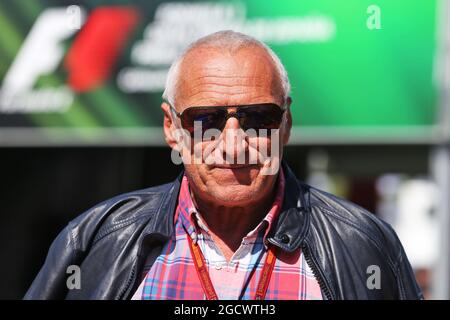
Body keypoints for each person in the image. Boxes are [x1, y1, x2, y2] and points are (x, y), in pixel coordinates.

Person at [25, 30, 423, 300]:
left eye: (257, 118)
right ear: (171, 128)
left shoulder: (362, 242)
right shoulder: (97, 241)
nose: (233, 143)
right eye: (206, 120)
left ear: (285, 124)